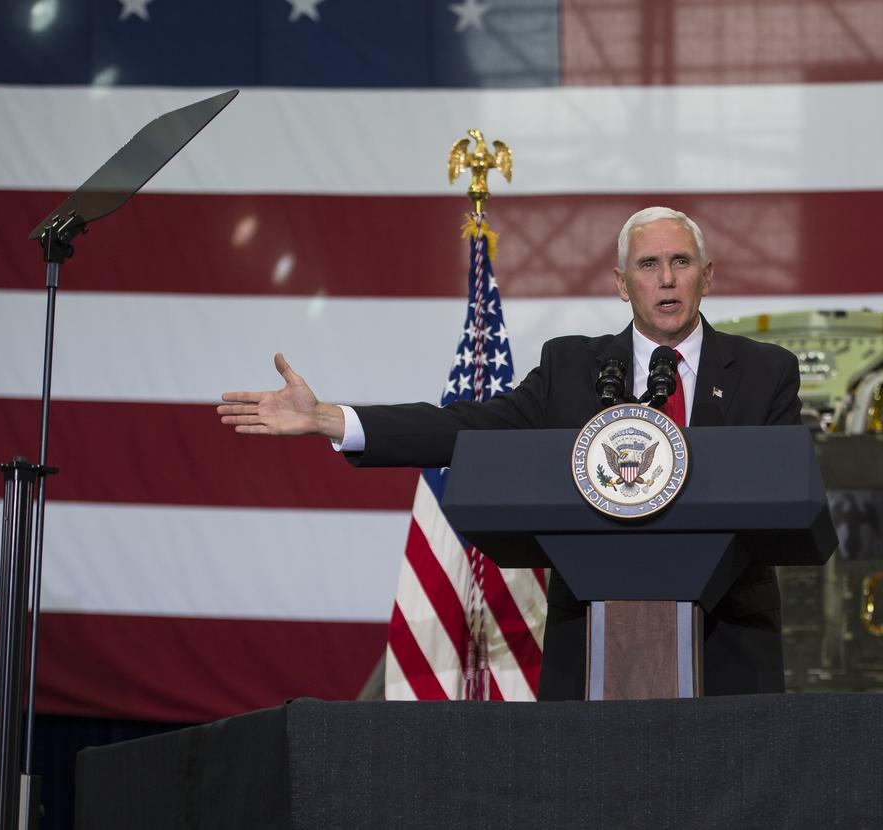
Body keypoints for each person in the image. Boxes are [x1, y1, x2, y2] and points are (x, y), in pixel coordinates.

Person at [219, 206, 802, 699]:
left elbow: (781, 497)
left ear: (709, 275)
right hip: (594, 639)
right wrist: (331, 419)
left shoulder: (765, 371)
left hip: (730, 643)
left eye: (681, 262)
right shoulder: (573, 368)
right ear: (623, 284)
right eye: (648, 265)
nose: (667, 279)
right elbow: (466, 426)